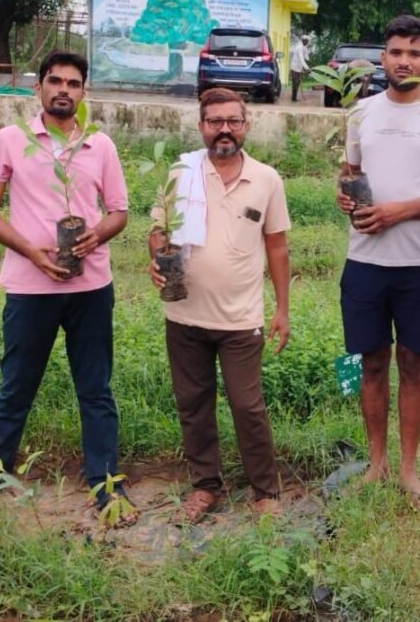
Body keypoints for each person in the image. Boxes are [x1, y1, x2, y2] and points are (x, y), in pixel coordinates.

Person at [0, 50, 133, 524]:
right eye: (55, 81)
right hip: (30, 287)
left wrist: (95, 234)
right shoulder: (12, 139)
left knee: (96, 390)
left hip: (90, 288)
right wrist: (33, 253)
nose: (64, 89)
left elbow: (119, 212)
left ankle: (106, 485)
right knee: (15, 389)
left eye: (73, 83)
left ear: (84, 92)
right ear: (39, 88)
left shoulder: (99, 145)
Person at [337, 14, 420, 511]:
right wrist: (344, 195)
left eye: (414, 53)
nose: (403, 60)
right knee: (371, 363)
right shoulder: (362, 113)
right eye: (395, 51)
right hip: (365, 260)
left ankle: (409, 470)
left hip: (419, 263)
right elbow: (350, 175)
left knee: (413, 364)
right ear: (383, 58)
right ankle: (377, 463)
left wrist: (397, 212)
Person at [149, 87, 291, 522]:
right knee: (193, 403)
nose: (224, 129)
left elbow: (278, 248)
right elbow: (158, 232)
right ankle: (205, 486)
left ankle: (264, 490)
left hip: (240, 318)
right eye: (215, 121)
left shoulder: (267, 179)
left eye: (232, 120)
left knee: (247, 406)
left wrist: (282, 309)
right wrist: (154, 261)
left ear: (245, 125)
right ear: (201, 127)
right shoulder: (181, 172)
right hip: (185, 313)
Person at [290, 34, 310, 102]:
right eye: (306, 41)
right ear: (303, 40)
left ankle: (294, 97)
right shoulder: (299, 48)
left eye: (308, 41)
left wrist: (306, 51)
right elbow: (302, 59)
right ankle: (293, 98)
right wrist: (307, 68)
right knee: (295, 83)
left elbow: (307, 58)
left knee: (297, 83)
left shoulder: (304, 48)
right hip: (294, 68)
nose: (307, 43)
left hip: (299, 68)